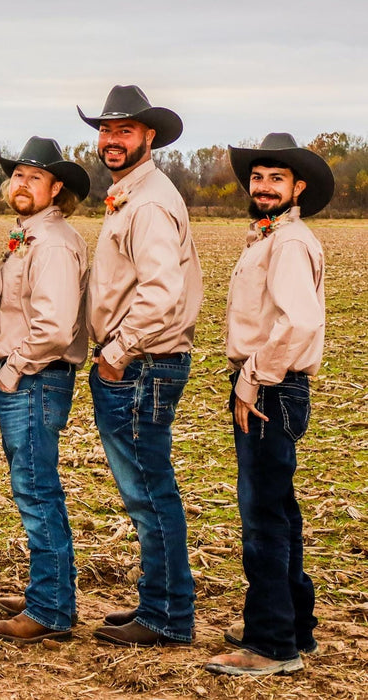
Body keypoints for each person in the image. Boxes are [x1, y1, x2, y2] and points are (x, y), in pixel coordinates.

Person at [204, 133, 332, 676]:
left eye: (276, 178)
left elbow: (300, 321)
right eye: (257, 177)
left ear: (297, 187)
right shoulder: (268, 238)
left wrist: (253, 378)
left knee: (263, 519)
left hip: (271, 390)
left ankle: (271, 643)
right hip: (272, 386)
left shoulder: (289, 243)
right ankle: (294, 626)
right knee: (279, 511)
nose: (263, 186)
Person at [79, 85, 202, 647]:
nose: (111, 139)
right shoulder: (134, 193)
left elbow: (161, 293)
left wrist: (116, 352)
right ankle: (159, 602)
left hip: (142, 364)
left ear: (148, 137)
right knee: (148, 489)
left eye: (124, 130)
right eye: (106, 130)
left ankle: (168, 616)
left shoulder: (149, 202)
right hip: (142, 362)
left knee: (150, 491)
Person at [0, 137, 90, 644]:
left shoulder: (54, 243)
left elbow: (55, 327)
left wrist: (13, 367)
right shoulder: (28, 235)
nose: (22, 184)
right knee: (34, 487)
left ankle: (49, 609)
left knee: (37, 489)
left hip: (35, 379)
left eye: (35, 177)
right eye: (18, 175)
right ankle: (50, 595)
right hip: (28, 377)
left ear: (56, 187)